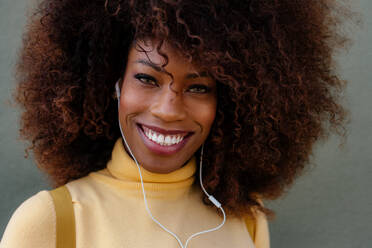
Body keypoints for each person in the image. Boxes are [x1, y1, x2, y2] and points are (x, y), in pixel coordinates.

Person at [0, 0, 351, 247]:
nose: (168, 110)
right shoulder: (51, 221)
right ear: (113, 83)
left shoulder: (246, 219)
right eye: (147, 79)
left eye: (199, 88)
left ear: (227, 105)